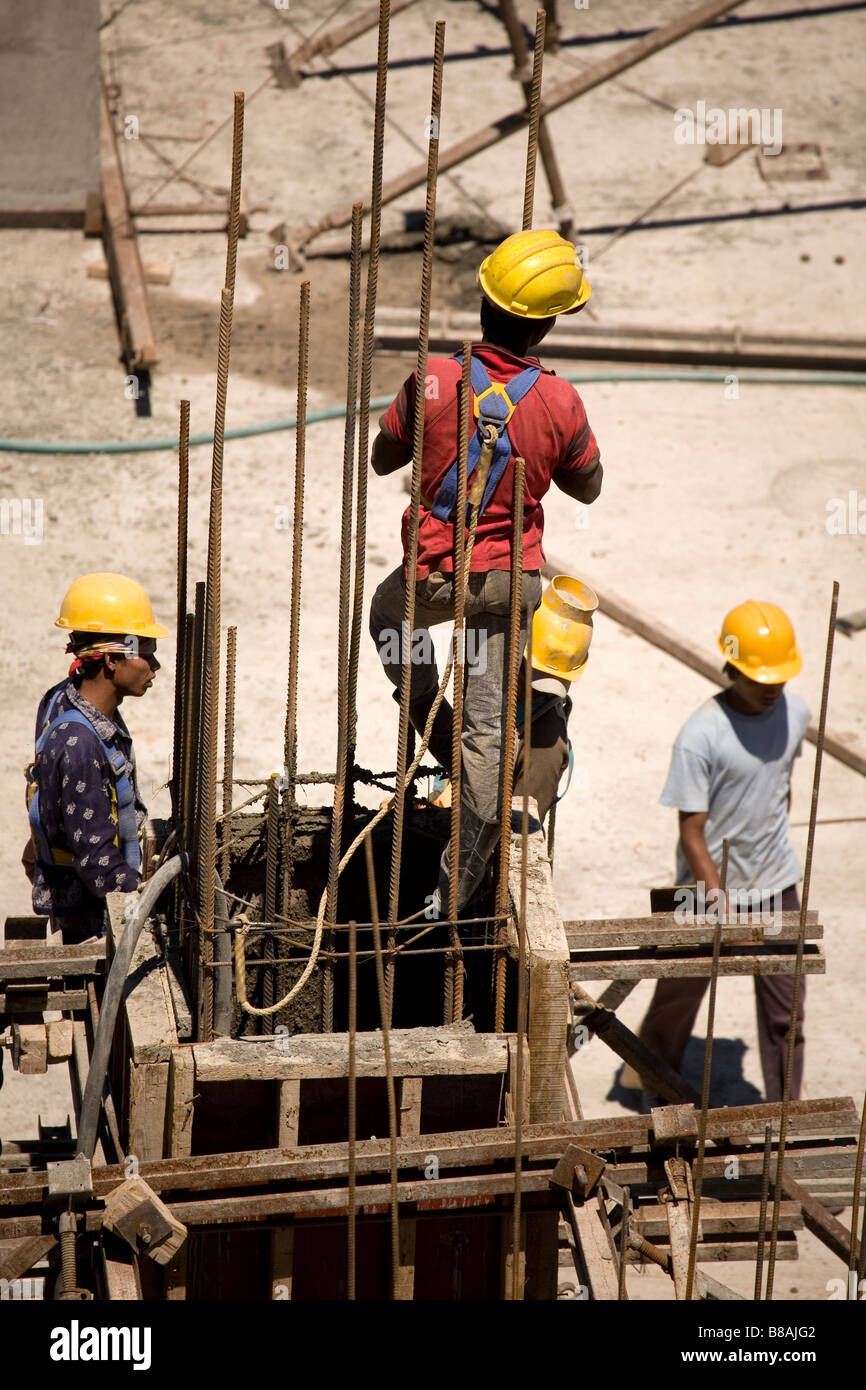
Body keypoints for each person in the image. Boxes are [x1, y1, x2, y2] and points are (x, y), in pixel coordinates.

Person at [368, 230, 603, 914]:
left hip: (433, 577)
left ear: (482, 305)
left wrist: (430, 429)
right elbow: (587, 486)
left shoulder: (434, 376)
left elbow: (384, 460)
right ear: (549, 322)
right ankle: (459, 884)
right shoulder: (560, 401)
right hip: (509, 584)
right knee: (487, 735)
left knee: (387, 621)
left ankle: (419, 704)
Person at [629, 600, 811, 1106]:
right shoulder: (701, 735)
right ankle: (656, 1084)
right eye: (760, 681)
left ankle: (785, 1115)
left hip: (777, 885)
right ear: (731, 669)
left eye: (779, 679)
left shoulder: (796, 713)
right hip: (704, 889)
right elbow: (692, 831)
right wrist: (716, 896)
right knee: (679, 995)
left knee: (786, 1013)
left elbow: (781, 786)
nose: (772, 690)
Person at [24, 573, 167, 944]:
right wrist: (155, 896)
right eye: (145, 653)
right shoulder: (80, 744)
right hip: (95, 920)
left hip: (84, 895)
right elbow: (98, 865)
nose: (155, 665)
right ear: (110, 661)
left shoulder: (62, 698)